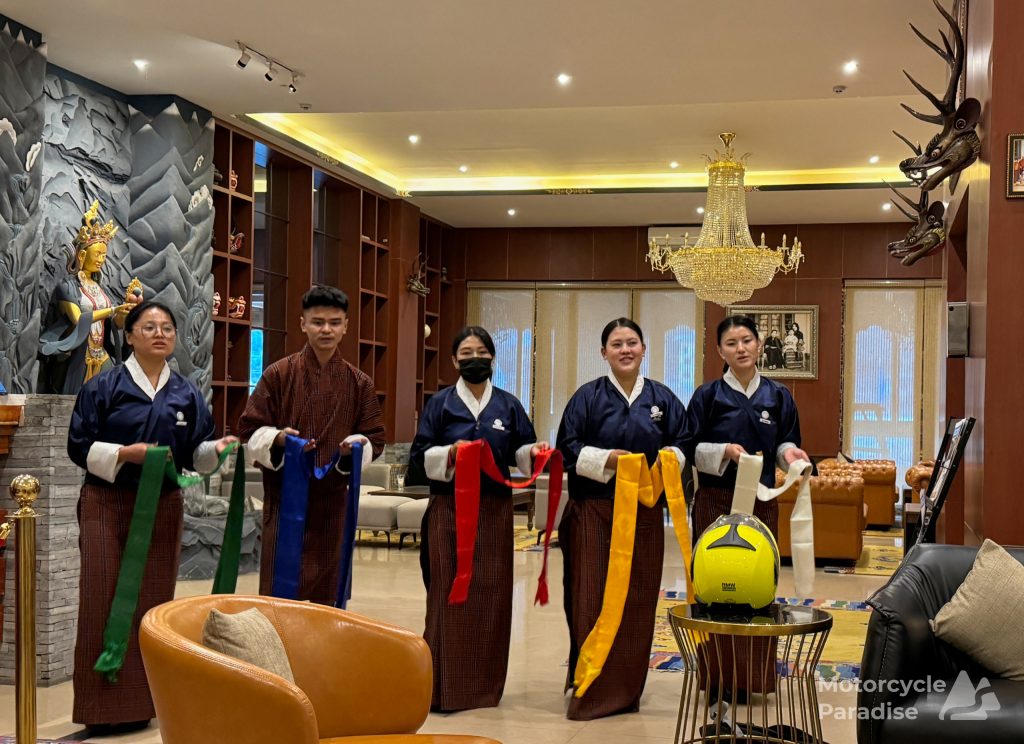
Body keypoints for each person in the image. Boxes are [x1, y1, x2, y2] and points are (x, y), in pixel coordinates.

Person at [67, 300, 237, 735]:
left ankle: (144, 704)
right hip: (107, 505)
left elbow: (196, 451)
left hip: (162, 506)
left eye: (167, 328)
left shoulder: (185, 393)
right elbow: (78, 447)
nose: (159, 334)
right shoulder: (103, 387)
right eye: (148, 327)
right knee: (102, 598)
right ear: (129, 336)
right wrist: (125, 453)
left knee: (153, 602)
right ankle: (100, 710)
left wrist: (215, 451)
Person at [409, 326, 547, 712]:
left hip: (494, 511)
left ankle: (484, 687)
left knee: (491, 592)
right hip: (449, 510)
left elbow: (521, 450)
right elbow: (419, 458)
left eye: (482, 352)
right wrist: (450, 454)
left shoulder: (507, 405)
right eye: (467, 353)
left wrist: (535, 452)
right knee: (448, 591)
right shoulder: (440, 404)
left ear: (492, 359)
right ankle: (444, 686)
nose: (475, 359)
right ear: (454, 361)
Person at [556, 317, 687, 720]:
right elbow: (568, 449)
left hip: (644, 515)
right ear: (604, 353)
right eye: (617, 344)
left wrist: (667, 460)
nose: (625, 350)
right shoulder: (587, 397)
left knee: (637, 599)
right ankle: (590, 686)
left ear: (644, 349)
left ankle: (627, 689)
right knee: (591, 598)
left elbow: (684, 442)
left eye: (632, 342)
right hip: (594, 513)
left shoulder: (663, 399)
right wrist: (608, 460)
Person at [680, 316, 809, 719]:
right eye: (732, 343)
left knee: (757, 588)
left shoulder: (778, 395)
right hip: (715, 503)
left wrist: (791, 456)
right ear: (720, 351)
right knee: (714, 588)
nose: (741, 348)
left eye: (747, 340)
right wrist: (726, 452)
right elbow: (690, 447)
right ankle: (717, 678)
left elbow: (785, 442)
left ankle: (754, 678)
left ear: (759, 345)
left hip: (762, 501)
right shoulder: (707, 396)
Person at [236, 285, 386, 603]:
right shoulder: (278, 374)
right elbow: (248, 431)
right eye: (318, 322)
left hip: (333, 503)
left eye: (334, 322)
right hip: (284, 500)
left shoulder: (360, 383)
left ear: (346, 326)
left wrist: (353, 450)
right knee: (279, 596)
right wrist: (278, 439)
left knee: (327, 596)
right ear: (303, 324)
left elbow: (375, 438)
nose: (326, 329)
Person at [40, 200, 142, 394]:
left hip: (100, 353)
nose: (101, 259)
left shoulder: (98, 288)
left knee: (109, 396)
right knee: (77, 400)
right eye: (97, 254)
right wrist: (112, 310)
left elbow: (113, 324)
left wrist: (125, 312)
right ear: (82, 255)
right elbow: (78, 319)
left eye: (104, 255)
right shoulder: (67, 287)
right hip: (79, 354)